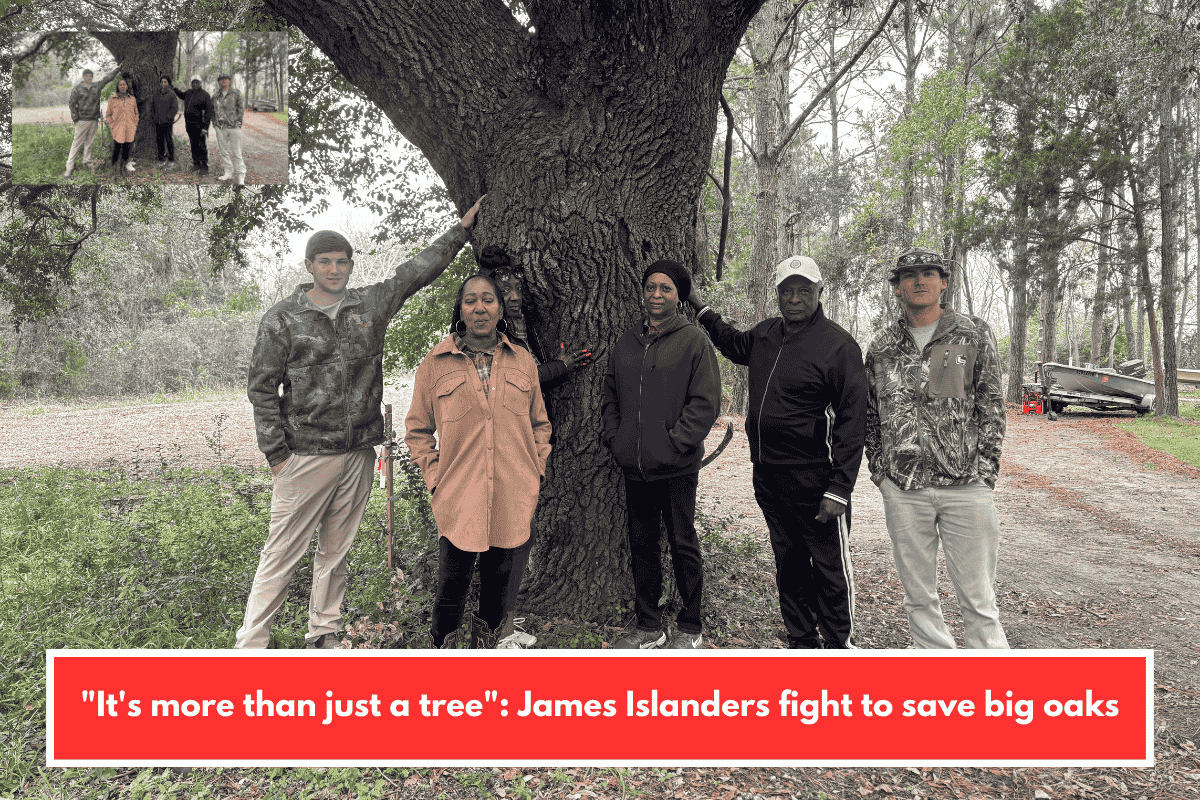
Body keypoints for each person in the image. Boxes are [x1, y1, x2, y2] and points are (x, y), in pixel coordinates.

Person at [237, 196, 485, 649]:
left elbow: (415, 273)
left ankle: (324, 634)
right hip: (305, 456)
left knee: (336, 551)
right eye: (326, 262)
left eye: (342, 262)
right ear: (309, 265)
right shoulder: (283, 319)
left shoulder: (369, 305)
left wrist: (461, 231)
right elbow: (261, 389)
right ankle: (252, 644)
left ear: (351, 265)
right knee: (281, 554)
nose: (335, 270)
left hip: (358, 453)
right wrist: (277, 456)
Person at [688, 256, 867, 649]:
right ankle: (802, 640)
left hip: (816, 480)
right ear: (778, 295)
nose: (795, 298)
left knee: (829, 566)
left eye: (804, 290)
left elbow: (854, 424)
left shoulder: (838, 347)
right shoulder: (766, 334)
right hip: (769, 476)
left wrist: (840, 489)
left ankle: (839, 646)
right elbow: (733, 342)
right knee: (788, 562)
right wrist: (700, 308)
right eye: (787, 291)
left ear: (820, 293)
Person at [864, 247, 1009, 649]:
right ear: (896, 288)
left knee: (979, 599)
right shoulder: (882, 346)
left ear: (943, 282)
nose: (920, 280)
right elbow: (870, 414)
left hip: (966, 486)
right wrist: (881, 472)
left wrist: (985, 472)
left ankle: (996, 690)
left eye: (929, 273)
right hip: (904, 490)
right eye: (909, 275)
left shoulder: (970, 333)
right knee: (919, 597)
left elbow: (992, 403)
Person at [405, 273, 552, 649]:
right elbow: (418, 430)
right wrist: (436, 477)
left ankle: (484, 658)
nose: (480, 307)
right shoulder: (436, 364)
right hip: (459, 495)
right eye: (471, 300)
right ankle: (442, 659)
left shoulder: (522, 361)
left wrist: (535, 470)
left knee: (497, 590)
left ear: (500, 308)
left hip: (512, 492)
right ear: (461, 309)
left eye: (488, 299)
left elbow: (540, 423)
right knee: (450, 588)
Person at [474, 245, 593, 649]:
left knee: (515, 537)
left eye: (515, 287)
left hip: (520, 448)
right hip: (500, 451)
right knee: (504, 541)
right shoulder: (490, 334)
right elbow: (518, 381)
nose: (513, 295)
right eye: (502, 290)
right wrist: (564, 366)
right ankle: (495, 632)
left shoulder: (517, 328)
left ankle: (501, 623)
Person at [603, 260, 721, 649]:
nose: (657, 294)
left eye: (666, 288)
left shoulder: (694, 342)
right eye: (651, 287)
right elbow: (610, 394)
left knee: (683, 542)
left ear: (679, 296)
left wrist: (673, 444)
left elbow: (705, 403)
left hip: (675, 467)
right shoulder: (627, 342)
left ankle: (691, 626)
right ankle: (649, 626)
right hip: (634, 466)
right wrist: (616, 438)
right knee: (642, 543)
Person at [64, 63, 122, 178]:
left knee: (89, 143)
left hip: (94, 120)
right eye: (87, 76)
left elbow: (107, 78)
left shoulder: (97, 86)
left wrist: (118, 69)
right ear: (83, 77)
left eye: (91, 76)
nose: (89, 78)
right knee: (76, 144)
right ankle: (69, 168)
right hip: (82, 120)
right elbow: (71, 104)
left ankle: (86, 162)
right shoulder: (77, 89)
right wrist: (76, 119)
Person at [170, 75, 213, 176]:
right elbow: (181, 95)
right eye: (193, 82)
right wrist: (173, 88)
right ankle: (196, 163)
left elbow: (209, 112)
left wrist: (205, 128)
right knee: (193, 145)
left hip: (200, 126)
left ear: (200, 83)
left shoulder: (205, 95)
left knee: (202, 146)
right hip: (189, 125)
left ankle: (204, 167)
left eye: (197, 82)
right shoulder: (188, 93)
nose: (194, 84)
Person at [212, 73, 245, 185]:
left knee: (237, 153)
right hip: (220, 128)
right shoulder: (216, 95)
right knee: (224, 152)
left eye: (226, 79)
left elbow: (241, 108)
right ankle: (228, 173)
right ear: (218, 82)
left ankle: (241, 176)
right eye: (221, 79)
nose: (223, 81)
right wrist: (214, 123)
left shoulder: (236, 93)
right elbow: (212, 110)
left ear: (229, 80)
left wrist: (239, 122)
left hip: (234, 127)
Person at [105, 78, 138, 179]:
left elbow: (136, 113)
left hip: (130, 129)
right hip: (118, 129)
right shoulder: (112, 99)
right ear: (118, 87)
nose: (123, 86)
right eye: (120, 85)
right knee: (116, 150)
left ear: (127, 86)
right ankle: (113, 171)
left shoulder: (132, 99)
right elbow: (108, 115)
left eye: (124, 84)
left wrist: (134, 124)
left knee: (126, 151)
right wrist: (112, 125)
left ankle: (122, 169)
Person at [151, 76, 179, 168]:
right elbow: (152, 106)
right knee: (159, 141)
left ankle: (171, 160)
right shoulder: (157, 93)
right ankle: (161, 159)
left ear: (168, 83)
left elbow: (175, 108)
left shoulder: (171, 94)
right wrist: (154, 116)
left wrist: (168, 117)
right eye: (162, 82)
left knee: (168, 140)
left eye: (165, 82)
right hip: (158, 122)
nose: (163, 84)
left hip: (167, 122)